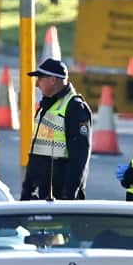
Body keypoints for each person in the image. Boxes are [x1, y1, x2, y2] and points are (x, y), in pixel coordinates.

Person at [23, 58, 92, 201]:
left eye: (40, 79)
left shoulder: (75, 107)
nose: (36, 84)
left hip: (61, 194)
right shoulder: (46, 105)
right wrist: (27, 189)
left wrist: (69, 195)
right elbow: (37, 151)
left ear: (53, 80)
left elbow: (79, 157)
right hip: (44, 191)